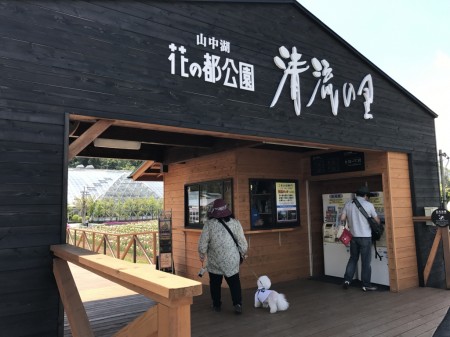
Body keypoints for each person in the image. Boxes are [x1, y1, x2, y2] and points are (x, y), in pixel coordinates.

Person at [198, 198, 248, 314]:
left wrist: (202, 255)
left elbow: (203, 243)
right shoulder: (235, 223)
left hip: (215, 260)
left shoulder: (209, 225)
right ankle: (237, 303)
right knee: (234, 282)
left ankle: (216, 304)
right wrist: (243, 253)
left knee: (215, 283)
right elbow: (242, 242)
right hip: (232, 260)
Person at [341, 186, 381, 292]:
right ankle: (366, 284)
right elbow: (377, 220)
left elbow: (342, 219)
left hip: (353, 237)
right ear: (365, 195)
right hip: (365, 237)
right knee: (366, 262)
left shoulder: (348, 204)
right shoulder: (369, 205)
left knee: (353, 259)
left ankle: (347, 280)